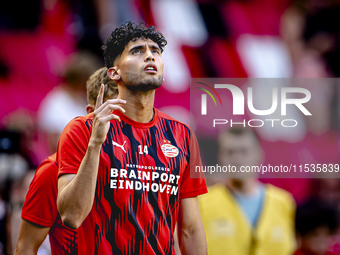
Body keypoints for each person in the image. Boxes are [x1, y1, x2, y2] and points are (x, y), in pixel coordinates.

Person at [57, 21, 208, 255]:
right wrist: (95, 144)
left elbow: (190, 228)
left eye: (155, 51)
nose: (149, 56)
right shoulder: (82, 130)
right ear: (114, 72)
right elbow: (71, 216)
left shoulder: (182, 135)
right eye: (137, 51)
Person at [14, 67, 118, 255]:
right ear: (90, 112)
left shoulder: (140, 169)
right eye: (111, 111)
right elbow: (25, 248)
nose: (120, 120)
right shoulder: (53, 170)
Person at [199, 127, 296, 255]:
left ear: (259, 155)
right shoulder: (201, 204)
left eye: (244, 152)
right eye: (230, 152)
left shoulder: (284, 203)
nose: (237, 159)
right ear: (220, 157)